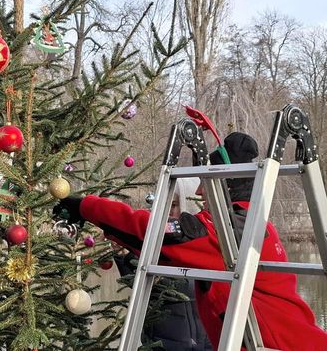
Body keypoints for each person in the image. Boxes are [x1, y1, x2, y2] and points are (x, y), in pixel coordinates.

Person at [54, 132, 327, 350]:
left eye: (205, 183)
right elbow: (158, 247)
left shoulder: (232, 229)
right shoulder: (243, 226)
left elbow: (161, 232)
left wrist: (86, 206)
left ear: (225, 185)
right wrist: (96, 219)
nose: (199, 192)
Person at [114, 177, 212, 350]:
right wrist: (124, 256)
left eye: (173, 206)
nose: (167, 212)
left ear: (187, 205)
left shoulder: (205, 244)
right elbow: (137, 284)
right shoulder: (154, 242)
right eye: (164, 205)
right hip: (161, 345)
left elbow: (183, 286)